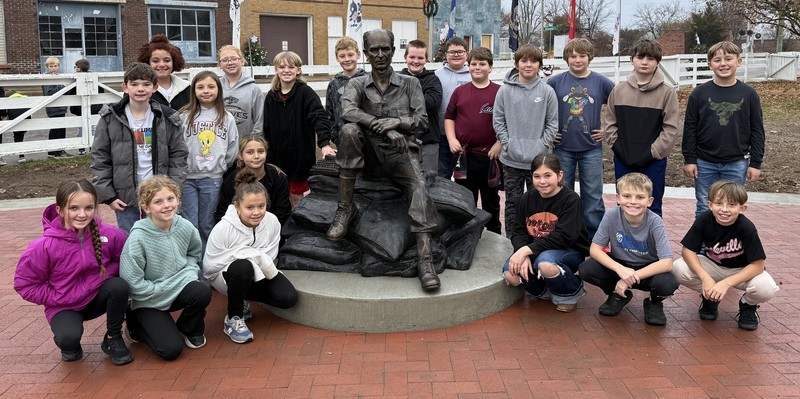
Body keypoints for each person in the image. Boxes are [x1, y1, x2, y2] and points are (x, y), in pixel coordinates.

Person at [327, 29, 439, 290]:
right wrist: (385, 127)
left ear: (393, 51)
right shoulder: (355, 84)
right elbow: (348, 111)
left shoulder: (410, 84)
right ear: (366, 53)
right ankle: (345, 208)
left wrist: (398, 121)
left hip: (400, 155)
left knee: (420, 190)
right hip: (367, 158)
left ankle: (425, 261)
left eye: (385, 49)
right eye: (374, 50)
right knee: (349, 131)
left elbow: (422, 121)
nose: (380, 54)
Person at [14, 180, 132, 365]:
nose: (82, 214)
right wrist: (56, 296)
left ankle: (113, 338)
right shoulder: (43, 246)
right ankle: (70, 343)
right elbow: (25, 285)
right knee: (68, 341)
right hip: (63, 305)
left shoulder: (109, 234)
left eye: (88, 207)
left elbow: (126, 259)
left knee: (119, 287)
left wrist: (106, 275)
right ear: (60, 210)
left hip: (96, 297)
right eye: (74, 208)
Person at [120, 175, 211, 360]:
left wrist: (190, 270)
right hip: (149, 298)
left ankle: (187, 328)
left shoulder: (185, 226)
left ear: (178, 199)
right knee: (171, 350)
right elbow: (133, 282)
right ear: (147, 207)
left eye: (171, 198)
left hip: (177, 287)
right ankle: (135, 325)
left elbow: (194, 253)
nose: (167, 205)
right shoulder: (138, 238)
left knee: (201, 291)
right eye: (158, 201)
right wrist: (158, 290)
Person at [90, 62, 188, 234]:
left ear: (155, 87)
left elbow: (178, 156)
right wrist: (110, 196)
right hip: (126, 196)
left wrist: (174, 189)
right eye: (134, 84)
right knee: (131, 239)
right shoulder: (110, 118)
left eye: (146, 84)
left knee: (162, 238)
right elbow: (100, 158)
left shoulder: (167, 118)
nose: (140, 89)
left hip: (160, 194)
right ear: (125, 87)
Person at [204, 169, 298, 344]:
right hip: (225, 277)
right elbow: (210, 266)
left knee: (288, 297)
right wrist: (248, 255)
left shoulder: (272, 222)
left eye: (261, 206)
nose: (256, 212)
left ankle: (243, 297)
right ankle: (233, 318)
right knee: (243, 267)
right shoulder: (223, 228)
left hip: (260, 272)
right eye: (249, 207)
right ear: (237, 206)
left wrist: (249, 256)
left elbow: (269, 257)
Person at [671, 180, 779, 330]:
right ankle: (710, 297)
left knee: (766, 288)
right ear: (710, 205)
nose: (724, 209)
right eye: (719, 203)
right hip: (713, 266)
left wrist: (725, 283)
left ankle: (748, 305)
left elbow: (758, 265)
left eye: (732, 205)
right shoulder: (704, 219)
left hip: (741, 270)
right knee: (678, 268)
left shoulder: (746, 227)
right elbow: (687, 250)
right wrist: (705, 277)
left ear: (742, 208)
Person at [579, 173, 678, 326]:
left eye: (640, 197)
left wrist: (629, 278)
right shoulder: (611, 216)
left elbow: (666, 262)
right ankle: (617, 294)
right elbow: (595, 249)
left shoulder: (654, 221)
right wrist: (620, 269)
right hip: (620, 265)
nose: (633, 202)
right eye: (627, 196)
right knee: (587, 268)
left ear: (649, 201)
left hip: (647, 270)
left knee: (669, 282)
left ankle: (654, 302)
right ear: (618, 199)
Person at [682, 41, 765, 217]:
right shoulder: (699, 93)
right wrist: (690, 159)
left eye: (728, 58)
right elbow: (690, 128)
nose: (723, 64)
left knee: (733, 208)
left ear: (739, 61)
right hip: (704, 162)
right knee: (705, 207)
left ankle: (730, 244)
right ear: (710, 64)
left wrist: (756, 163)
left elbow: (757, 129)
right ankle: (705, 245)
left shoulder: (748, 94)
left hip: (737, 162)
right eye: (717, 60)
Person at [502, 154, 590, 312]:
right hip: (536, 249)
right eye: (537, 176)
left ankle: (570, 292)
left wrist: (526, 250)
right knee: (510, 272)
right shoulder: (526, 198)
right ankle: (544, 291)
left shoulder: (571, 200)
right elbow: (519, 231)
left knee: (545, 263)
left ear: (559, 175)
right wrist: (523, 253)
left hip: (568, 250)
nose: (542, 181)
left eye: (547, 175)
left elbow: (563, 237)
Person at [547, 38, 614, 239]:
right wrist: (549, 131)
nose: (577, 60)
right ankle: (563, 234)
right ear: (566, 58)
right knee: (561, 193)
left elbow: (619, 104)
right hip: (562, 148)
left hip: (591, 148)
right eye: (573, 56)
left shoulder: (601, 82)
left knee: (592, 196)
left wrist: (608, 129)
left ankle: (594, 239)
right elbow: (542, 108)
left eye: (582, 56)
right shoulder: (555, 82)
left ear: (589, 58)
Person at [603, 39, 679, 218]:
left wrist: (652, 153)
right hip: (623, 159)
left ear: (657, 62)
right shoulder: (619, 90)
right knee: (625, 205)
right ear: (632, 60)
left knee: (652, 205)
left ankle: (651, 245)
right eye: (640, 57)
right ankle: (623, 244)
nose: (645, 62)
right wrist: (618, 148)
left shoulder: (667, 93)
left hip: (653, 161)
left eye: (651, 58)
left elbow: (671, 128)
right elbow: (609, 123)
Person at [493, 44, 558, 237]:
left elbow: (552, 124)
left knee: (540, 200)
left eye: (533, 61)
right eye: (524, 61)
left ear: (539, 65)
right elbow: (498, 121)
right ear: (517, 64)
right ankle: (512, 240)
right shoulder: (504, 91)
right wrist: (508, 143)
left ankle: (537, 239)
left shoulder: (547, 92)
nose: (528, 65)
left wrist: (541, 147)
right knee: (513, 202)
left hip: (539, 162)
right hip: (511, 158)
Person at [263, 51, 333, 207]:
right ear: (276, 70)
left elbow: (319, 117)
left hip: (299, 159)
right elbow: (265, 128)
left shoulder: (305, 93)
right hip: (276, 159)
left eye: (291, 67)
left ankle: (297, 227)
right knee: (278, 196)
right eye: (282, 67)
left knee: (296, 197)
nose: (286, 70)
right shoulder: (270, 97)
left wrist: (324, 143)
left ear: (298, 70)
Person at [443, 47, 502, 234]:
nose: (477, 67)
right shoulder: (460, 92)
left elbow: (507, 122)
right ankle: (465, 235)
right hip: (464, 156)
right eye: (474, 64)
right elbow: (449, 117)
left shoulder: (499, 92)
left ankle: (494, 235)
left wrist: (499, 144)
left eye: (482, 64)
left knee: (490, 200)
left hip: (490, 156)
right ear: (469, 66)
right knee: (465, 199)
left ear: (490, 68)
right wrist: (452, 139)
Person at [178, 71, 239, 251]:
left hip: (212, 178)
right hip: (187, 178)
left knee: (206, 223)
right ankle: (192, 266)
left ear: (218, 90)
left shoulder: (226, 117)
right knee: (190, 224)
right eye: (201, 87)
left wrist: (219, 166)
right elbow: (176, 146)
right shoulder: (184, 116)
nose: (206, 91)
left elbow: (232, 146)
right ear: (193, 90)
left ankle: (207, 266)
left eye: (211, 86)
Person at [215, 136, 291, 225]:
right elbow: (223, 211)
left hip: (271, 229)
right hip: (239, 230)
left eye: (260, 151)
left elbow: (282, 211)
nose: (256, 156)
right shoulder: (231, 180)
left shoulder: (278, 177)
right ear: (240, 155)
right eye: (250, 152)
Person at [400, 39, 442, 174]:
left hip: (428, 142)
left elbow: (432, 103)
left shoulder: (433, 80)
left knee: (428, 181)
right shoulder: (396, 79)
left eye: (420, 58)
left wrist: (404, 99)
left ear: (426, 59)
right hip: (402, 140)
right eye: (412, 57)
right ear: (405, 57)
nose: (416, 61)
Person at [435, 37, 472, 179]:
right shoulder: (437, 76)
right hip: (443, 137)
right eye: (452, 52)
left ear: (466, 54)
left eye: (460, 51)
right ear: (446, 55)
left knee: (464, 178)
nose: (456, 55)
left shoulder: (473, 76)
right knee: (442, 176)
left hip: (466, 140)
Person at [325, 37, 367, 147]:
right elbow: (329, 113)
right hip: (342, 139)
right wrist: (335, 136)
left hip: (367, 138)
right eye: (342, 56)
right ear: (337, 58)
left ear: (358, 55)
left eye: (350, 55)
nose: (347, 59)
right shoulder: (334, 84)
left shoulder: (368, 80)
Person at [218, 45, 264, 137]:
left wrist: (251, 143)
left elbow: (260, 120)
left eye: (234, 59)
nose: (230, 62)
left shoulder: (254, 89)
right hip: (220, 144)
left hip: (245, 144)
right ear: (220, 65)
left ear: (242, 61)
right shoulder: (216, 87)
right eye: (225, 60)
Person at [137, 34, 191, 111]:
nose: (161, 65)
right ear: (147, 63)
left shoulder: (187, 88)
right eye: (155, 61)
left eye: (167, 60)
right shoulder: (139, 90)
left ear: (174, 62)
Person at [69, 58, 103, 156]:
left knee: (82, 128)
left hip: (82, 108)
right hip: (93, 107)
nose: (75, 68)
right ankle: (93, 146)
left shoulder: (75, 79)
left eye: (76, 67)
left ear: (79, 68)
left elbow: (71, 93)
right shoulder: (95, 77)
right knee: (94, 128)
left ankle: (82, 147)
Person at [42, 56, 69, 158]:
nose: (53, 68)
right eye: (51, 66)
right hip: (54, 107)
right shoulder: (47, 78)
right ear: (47, 67)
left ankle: (52, 151)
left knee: (56, 129)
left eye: (55, 66)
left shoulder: (58, 76)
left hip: (60, 106)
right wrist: (63, 87)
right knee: (58, 129)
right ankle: (58, 151)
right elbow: (49, 92)